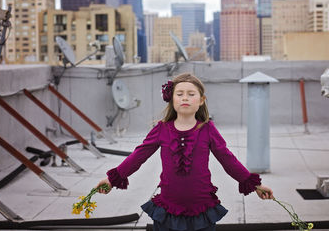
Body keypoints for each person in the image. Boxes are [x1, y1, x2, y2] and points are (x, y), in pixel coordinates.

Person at [96, 73, 274, 231]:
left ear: (201, 100)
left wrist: (254, 185)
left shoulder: (208, 129)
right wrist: (112, 179)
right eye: (179, 94)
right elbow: (138, 156)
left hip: (201, 210)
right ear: (172, 99)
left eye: (191, 94)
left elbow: (228, 160)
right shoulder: (161, 129)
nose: (185, 98)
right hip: (168, 210)